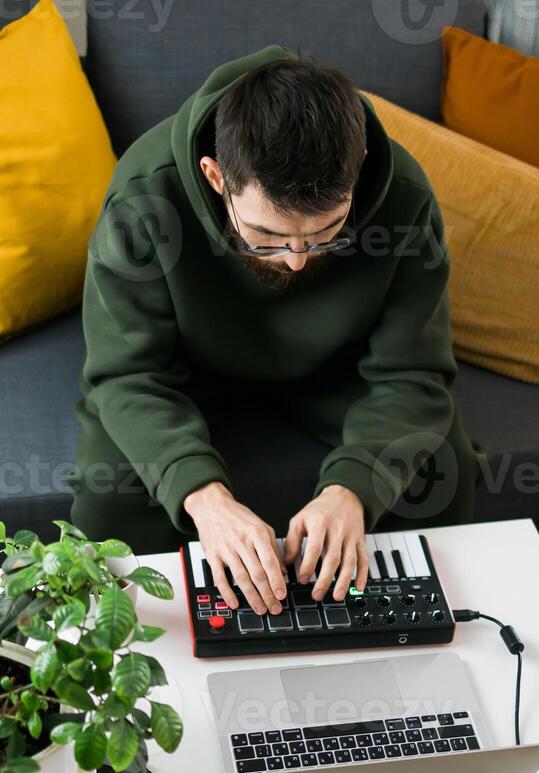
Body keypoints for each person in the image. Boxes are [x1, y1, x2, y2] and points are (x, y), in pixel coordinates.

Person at [68, 46, 479, 619]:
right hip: (183, 376)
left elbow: (413, 372)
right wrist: (203, 497)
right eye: (267, 236)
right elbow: (128, 373)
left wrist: (354, 489)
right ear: (215, 176)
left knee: (442, 467)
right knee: (110, 498)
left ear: (357, 165)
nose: (296, 261)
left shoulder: (406, 195)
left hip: (338, 371)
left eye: (325, 231)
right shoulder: (143, 196)